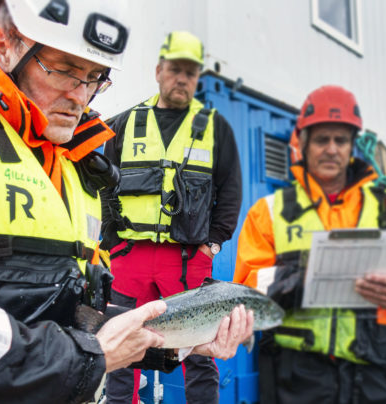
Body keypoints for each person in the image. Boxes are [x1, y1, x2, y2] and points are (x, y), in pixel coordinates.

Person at [0, 2, 254, 404]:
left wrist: (180, 339)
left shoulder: (74, 161)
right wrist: (90, 358)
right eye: (65, 69)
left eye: (94, 78)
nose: (79, 95)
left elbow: (72, 312)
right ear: (3, 44)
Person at [234, 85, 386, 403]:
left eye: (341, 140)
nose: (332, 149)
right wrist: (305, 276)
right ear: (304, 144)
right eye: (322, 139)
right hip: (295, 378)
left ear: (352, 146)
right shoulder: (269, 212)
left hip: (377, 377)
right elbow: (245, 291)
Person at [102, 31, 243, 404]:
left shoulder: (216, 129)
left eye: (190, 73)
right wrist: (112, 244)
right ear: (158, 70)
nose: (182, 78)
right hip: (129, 257)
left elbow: (230, 191)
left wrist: (213, 244)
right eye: (174, 69)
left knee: (198, 353)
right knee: (122, 346)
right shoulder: (123, 124)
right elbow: (103, 189)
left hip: (188, 257)